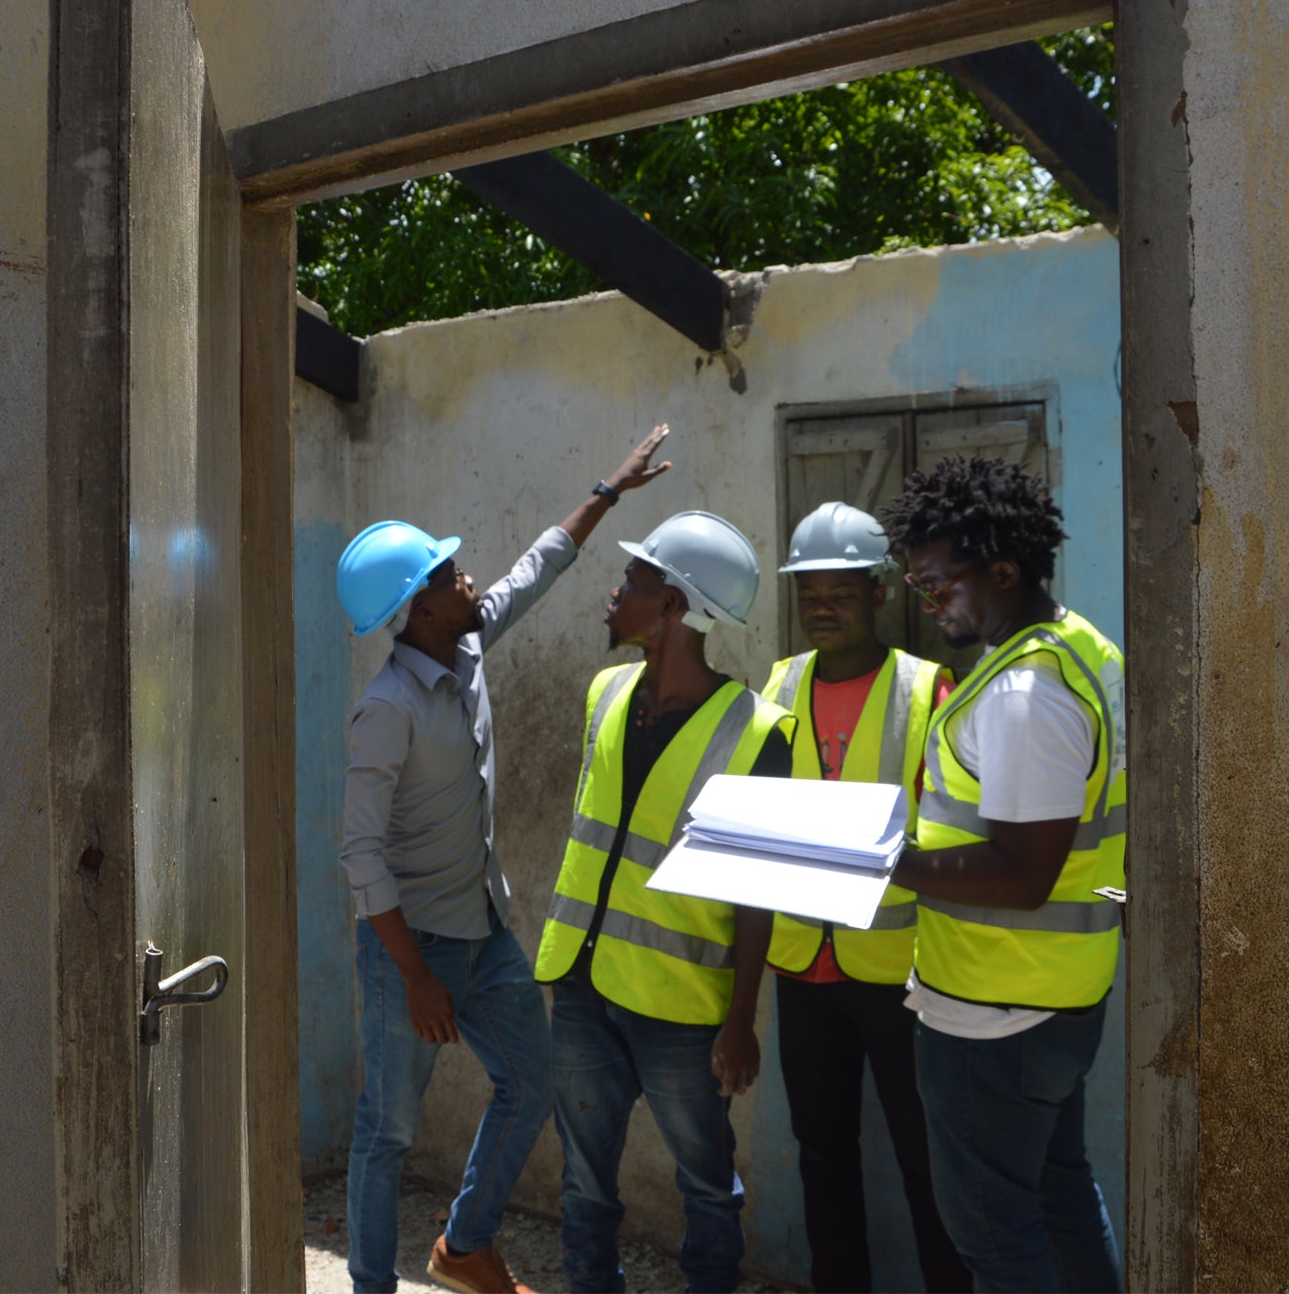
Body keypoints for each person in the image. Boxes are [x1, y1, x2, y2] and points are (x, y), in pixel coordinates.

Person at [330, 426, 675, 1294]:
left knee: (534, 1081)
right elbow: (360, 852)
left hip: (483, 931)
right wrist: (413, 975)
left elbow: (537, 567)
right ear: (419, 606)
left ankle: (464, 1243)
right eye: (449, 575)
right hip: (410, 949)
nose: (468, 576)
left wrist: (608, 487)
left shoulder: (468, 645)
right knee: (387, 1132)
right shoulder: (387, 709)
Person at [880, 458, 1126, 1294]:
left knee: (996, 1238)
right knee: (1056, 1202)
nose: (928, 599)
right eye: (916, 583)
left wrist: (890, 863)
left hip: (996, 1016)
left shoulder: (1027, 692)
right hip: (1047, 998)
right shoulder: (1079, 648)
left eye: (937, 581)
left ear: (1004, 569)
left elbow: (1025, 872)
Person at [540, 507, 797, 1294]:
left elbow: (759, 888)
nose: (614, 593)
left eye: (634, 581)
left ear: (675, 606)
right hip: (581, 981)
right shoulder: (605, 691)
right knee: (583, 1183)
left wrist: (740, 1017)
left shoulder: (757, 731)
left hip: (683, 1005)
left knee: (706, 1186)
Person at [756, 502, 969, 1292]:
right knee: (821, 1153)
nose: (822, 604)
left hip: (896, 974)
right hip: (801, 965)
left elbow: (951, 833)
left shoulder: (926, 688)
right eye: (809, 590)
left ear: (881, 593)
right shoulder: (778, 684)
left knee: (925, 1161)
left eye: (841, 589)